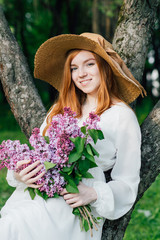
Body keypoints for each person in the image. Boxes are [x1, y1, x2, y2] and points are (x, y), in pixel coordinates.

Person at [0, 33, 146, 240]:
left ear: (105, 67)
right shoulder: (59, 110)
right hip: (34, 199)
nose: (81, 74)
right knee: (10, 227)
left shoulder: (121, 116)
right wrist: (19, 174)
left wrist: (93, 194)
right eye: (74, 68)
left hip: (72, 208)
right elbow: (38, 155)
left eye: (89, 64)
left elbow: (127, 182)